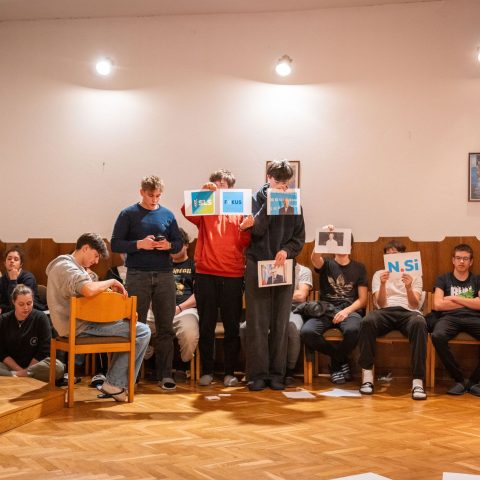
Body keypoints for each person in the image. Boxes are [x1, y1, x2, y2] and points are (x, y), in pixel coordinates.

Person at [46, 233, 151, 402]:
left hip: (85, 322)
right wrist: (112, 282)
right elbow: (88, 290)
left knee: (134, 327)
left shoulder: (75, 267)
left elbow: (93, 300)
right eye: (95, 256)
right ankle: (115, 384)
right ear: (85, 248)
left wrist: (123, 312)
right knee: (142, 331)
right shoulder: (65, 267)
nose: (96, 261)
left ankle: (115, 383)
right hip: (79, 326)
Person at [111, 175, 183, 391]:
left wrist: (168, 246)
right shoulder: (128, 214)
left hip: (165, 274)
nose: (154, 200)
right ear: (141, 192)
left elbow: (178, 243)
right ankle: (129, 377)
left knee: (165, 327)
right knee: (134, 326)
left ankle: (165, 375)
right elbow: (115, 244)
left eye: (158, 196)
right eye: (151, 195)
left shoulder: (167, 214)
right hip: (137, 274)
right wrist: (139, 244)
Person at [182, 169, 252, 387]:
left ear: (230, 188)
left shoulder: (239, 209)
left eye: (223, 184)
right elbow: (186, 211)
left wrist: (246, 228)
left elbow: (245, 242)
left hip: (233, 274)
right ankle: (207, 371)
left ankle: (229, 372)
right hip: (205, 274)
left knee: (232, 326)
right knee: (206, 325)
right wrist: (204, 192)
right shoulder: (206, 205)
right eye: (216, 183)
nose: (219, 186)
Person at [245, 160, 305, 391]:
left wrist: (286, 250)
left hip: (283, 266)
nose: (281, 184)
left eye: (285, 181)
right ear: (268, 178)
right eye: (277, 180)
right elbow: (256, 230)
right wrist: (270, 202)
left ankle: (277, 373)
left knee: (280, 322)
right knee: (257, 322)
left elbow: (299, 237)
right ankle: (257, 374)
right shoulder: (255, 200)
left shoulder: (294, 201)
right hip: (257, 263)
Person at [357, 240, 427, 400]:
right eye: (388, 255)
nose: (391, 257)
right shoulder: (379, 274)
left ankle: (418, 381)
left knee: (420, 323)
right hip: (385, 311)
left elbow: (414, 304)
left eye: (394, 254)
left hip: (408, 312)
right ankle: (367, 378)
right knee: (367, 321)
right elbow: (380, 304)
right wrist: (383, 284)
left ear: (403, 256)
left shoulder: (415, 274)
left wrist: (408, 287)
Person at [300, 226, 367, 384]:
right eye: (338, 243)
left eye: (345, 243)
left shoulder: (359, 268)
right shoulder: (327, 264)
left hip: (349, 311)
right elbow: (315, 258)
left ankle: (335, 365)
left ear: (350, 246)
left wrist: (346, 311)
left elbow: (363, 299)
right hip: (325, 310)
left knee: (354, 330)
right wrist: (323, 234)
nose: (342, 247)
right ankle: (340, 360)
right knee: (307, 332)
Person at [240, 262, 312, 386]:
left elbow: (301, 295)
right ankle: (255, 369)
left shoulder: (303, 270)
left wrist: (280, 296)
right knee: (245, 327)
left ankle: (288, 370)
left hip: (293, 309)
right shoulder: (268, 267)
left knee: (291, 327)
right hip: (265, 309)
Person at [146, 228, 199, 378]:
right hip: (158, 310)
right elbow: (149, 290)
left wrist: (179, 308)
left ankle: (183, 364)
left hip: (185, 310)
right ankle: (149, 356)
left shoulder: (194, 265)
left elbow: (199, 295)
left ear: (186, 245)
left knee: (189, 333)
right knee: (135, 326)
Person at [431, 244, 480, 396]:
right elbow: (438, 305)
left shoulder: (477, 280)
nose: (461, 262)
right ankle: (459, 380)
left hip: (473, 317)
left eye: (465, 258)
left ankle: (473, 382)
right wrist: (470, 301)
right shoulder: (443, 279)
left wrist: (453, 298)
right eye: (458, 258)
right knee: (437, 336)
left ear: (471, 262)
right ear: (453, 260)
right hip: (449, 318)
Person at [0, 284, 64, 382]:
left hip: (36, 367)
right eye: (21, 304)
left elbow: (44, 351)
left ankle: (14, 377)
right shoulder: (3, 320)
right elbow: (2, 352)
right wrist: (20, 370)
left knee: (58, 368)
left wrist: (27, 371)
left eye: (29, 303)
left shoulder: (41, 318)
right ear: (13, 302)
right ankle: (21, 376)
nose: (26, 308)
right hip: (10, 367)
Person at [0, 246, 45, 313]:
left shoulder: (28, 278)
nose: (12, 261)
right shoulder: (2, 279)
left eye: (16, 259)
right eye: (9, 259)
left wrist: (13, 280)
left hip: (31, 312)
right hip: (10, 312)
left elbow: (18, 303)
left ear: (21, 264)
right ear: (5, 263)